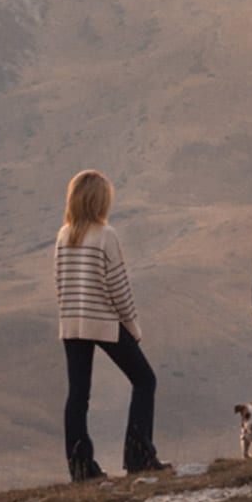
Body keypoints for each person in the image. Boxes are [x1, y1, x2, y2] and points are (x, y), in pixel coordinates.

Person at [56, 169, 167, 481]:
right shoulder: (106, 236)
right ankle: (139, 455)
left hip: (72, 323)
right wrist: (132, 326)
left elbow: (60, 282)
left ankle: (80, 467)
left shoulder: (64, 235)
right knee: (145, 380)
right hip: (102, 320)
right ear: (99, 201)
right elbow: (118, 287)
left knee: (78, 396)